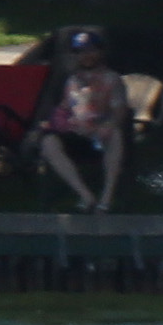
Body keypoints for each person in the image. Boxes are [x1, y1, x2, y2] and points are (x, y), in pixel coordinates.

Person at [32, 33, 132, 211]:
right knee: (48, 143)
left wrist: (107, 126)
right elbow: (64, 109)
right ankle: (85, 195)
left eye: (91, 51)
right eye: (80, 51)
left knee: (115, 135)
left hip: (100, 135)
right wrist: (58, 121)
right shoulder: (72, 80)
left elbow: (120, 111)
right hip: (76, 134)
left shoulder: (112, 79)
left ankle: (106, 198)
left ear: (100, 52)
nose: (86, 55)